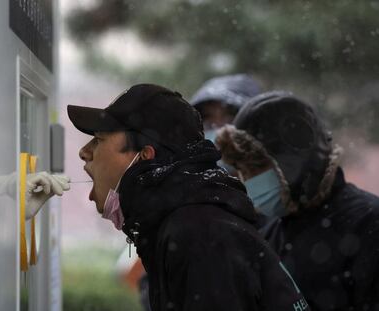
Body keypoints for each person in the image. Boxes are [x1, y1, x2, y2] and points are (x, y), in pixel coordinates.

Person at [67, 84, 310, 311]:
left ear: (143, 156)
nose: (84, 152)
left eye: (98, 140)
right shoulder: (189, 220)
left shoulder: (199, 233)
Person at [216, 91, 379, 310]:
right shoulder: (269, 234)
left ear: (295, 163)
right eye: (243, 171)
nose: (250, 182)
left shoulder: (368, 223)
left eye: (256, 168)